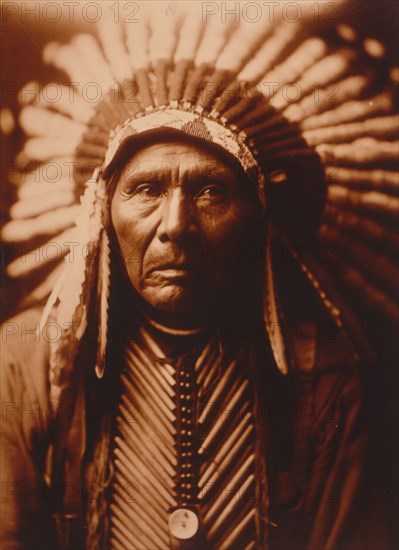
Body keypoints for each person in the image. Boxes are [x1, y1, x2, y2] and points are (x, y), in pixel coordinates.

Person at [0, 3, 395, 549]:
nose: (176, 227)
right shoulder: (34, 364)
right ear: (102, 217)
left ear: (257, 216)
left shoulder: (321, 371)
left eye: (211, 191)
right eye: (146, 190)